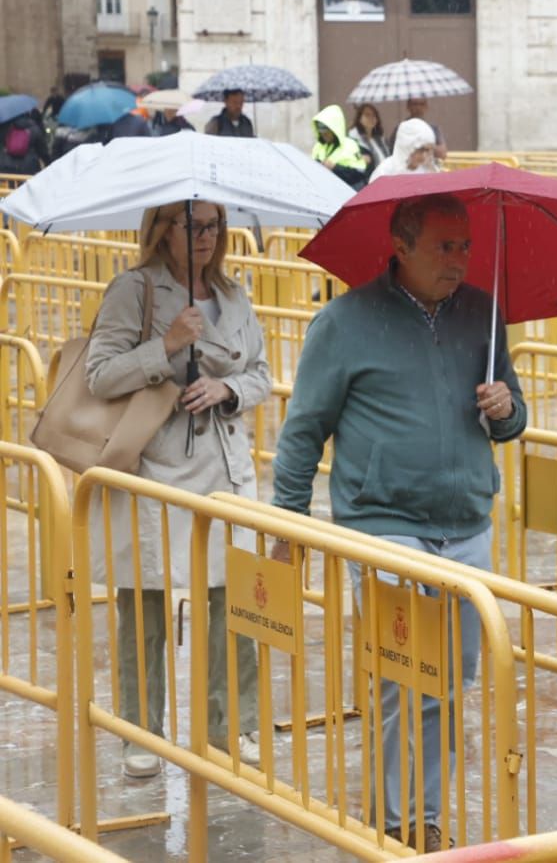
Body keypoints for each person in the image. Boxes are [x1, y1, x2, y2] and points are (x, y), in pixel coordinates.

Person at [271, 193, 526, 853]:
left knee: (450, 678)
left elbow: (514, 416)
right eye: (445, 246)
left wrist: (505, 409)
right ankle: (403, 821)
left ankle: (422, 807)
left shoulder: (481, 313)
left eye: (465, 246)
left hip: (466, 518)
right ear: (402, 246)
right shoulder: (344, 322)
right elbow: (303, 432)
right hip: (382, 520)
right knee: (402, 675)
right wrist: (287, 528)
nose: (460, 259)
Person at [84, 200, 271, 778]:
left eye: (214, 225)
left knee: (233, 600)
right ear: (161, 230)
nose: (206, 237)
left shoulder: (234, 296)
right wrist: (165, 346)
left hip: (225, 467)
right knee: (145, 604)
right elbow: (99, 374)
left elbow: (262, 373)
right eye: (192, 225)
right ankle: (140, 731)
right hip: (154, 469)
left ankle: (232, 723)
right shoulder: (132, 289)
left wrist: (228, 390)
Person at [310, 104, 371, 188]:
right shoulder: (318, 147)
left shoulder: (350, 145)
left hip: (345, 193)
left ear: (334, 128)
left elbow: (359, 173)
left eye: (326, 131)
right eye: (320, 130)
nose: (324, 134)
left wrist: (335, 168)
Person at [369, 118, 443, 180]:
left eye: (428, 150)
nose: (424, 156)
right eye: (421, 150)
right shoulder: (385, 171)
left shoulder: (429, 170)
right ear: (406, 146)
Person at [2, 110, 50, 174]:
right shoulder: (35, 128)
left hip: (7, 168)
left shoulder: (6, 127)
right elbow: (43, 151)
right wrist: (49, 164)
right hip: (30, 167)